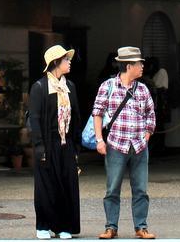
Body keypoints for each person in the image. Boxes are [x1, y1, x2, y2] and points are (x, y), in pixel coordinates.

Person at [92, 46, 157, 240]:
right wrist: (99, 140)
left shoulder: (143, 89)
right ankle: (111, 227)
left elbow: (150, 116)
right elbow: (97, 113)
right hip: (115, 145)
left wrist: (146, 135)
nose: (142, 67)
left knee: (141, 189)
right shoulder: (108, 86)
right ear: (129, 66)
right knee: (112, 189)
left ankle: (141, 227)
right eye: (139, 64)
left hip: (139, 147)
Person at [28, 44, 82, 240]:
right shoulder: (40, 87)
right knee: (46, 185)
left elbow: (76, 116)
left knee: (67, 183)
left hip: (66, 143)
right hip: (47, 143)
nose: (69, 62)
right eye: (66, 59)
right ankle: (43, 225)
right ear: (56, 63)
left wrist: (76, 144)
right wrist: (39, 146)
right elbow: (34, 119)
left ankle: (63, 226)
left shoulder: (71, 87)